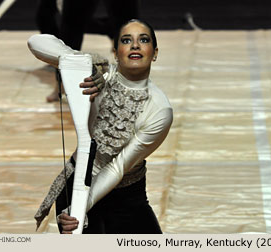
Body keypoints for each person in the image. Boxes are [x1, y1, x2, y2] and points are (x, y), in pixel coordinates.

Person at [27, 19, 173, 234]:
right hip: (76, 185)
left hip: (126, 196)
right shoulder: (96, 74)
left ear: (155, 52)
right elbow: (36, 42)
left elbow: (118, 167)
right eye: (126, 40)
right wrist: (83, 61)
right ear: (116, 52)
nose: (135, 45)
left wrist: (81, 206)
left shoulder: (159, 110)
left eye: (143, 40)